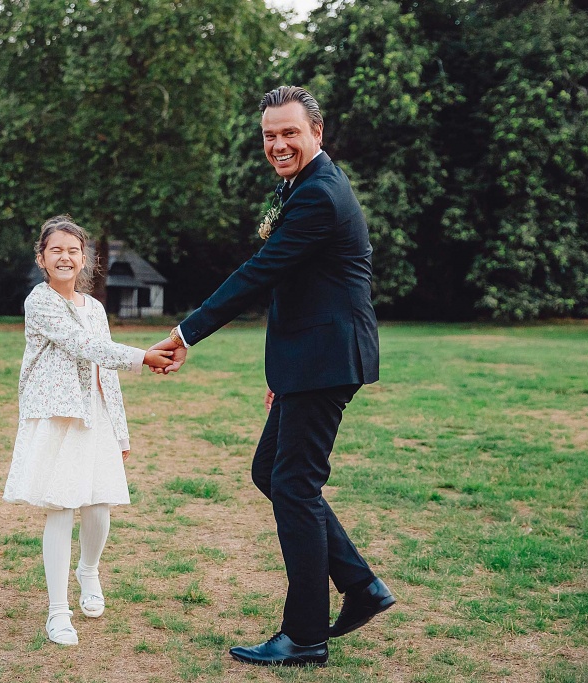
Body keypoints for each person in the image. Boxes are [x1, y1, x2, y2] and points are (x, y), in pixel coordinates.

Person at [150, 86, 395, 667]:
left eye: (290, 132)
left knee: (294, 485)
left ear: (317, 132)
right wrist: (285, 372)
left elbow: (260, 273)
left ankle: (305, 634)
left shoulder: (318, 195)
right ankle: (360, 585)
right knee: (273, 473)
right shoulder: (303, 185)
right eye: (269, 135)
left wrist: (185, 334)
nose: (278, 144)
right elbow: (295, 282)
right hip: (310, 359)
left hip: (328, 358)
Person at [3, 215, 174, 646]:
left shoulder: (95, 308)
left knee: (99, 507)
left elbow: (104, 371)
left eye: (73, 250)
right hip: (59, 416)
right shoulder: (40, 302)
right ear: (42, 258)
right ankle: (58, 613)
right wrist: (142, 356)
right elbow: (83, 346)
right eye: (55, 250)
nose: (65, 257)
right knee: (62, 508)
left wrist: (121, 430)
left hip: (97, 415)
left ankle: (89, 570)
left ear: (85, 259)